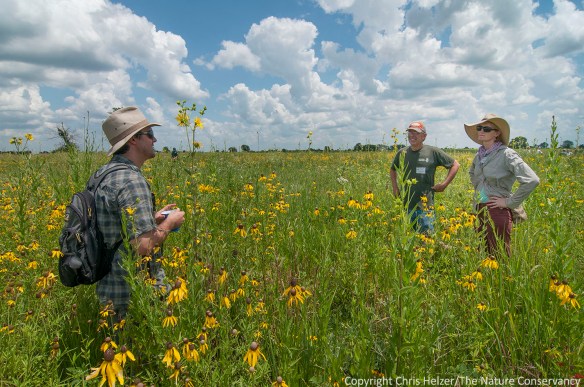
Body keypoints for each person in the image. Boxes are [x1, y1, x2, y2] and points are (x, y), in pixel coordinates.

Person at [95, 106, 185, 318]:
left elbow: (113, 225)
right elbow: (142, 247)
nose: (154, 140)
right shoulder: (131, 181)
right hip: (134, 291)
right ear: (133, 140)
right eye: (150, 134)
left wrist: (151, 219)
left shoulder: (103, 174)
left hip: (109, 286)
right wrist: (169, 223)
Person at [464, 114, 539, 257]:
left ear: (497, 133)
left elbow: (532, 180)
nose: (481, 131)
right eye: (479, 128)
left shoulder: (507, 154)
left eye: (486, 129)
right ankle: (486, 279)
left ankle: (504, 279)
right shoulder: (480, 154)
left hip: (497, 208)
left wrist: (509, 202)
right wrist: (481, 191)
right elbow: (472, 172)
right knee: (483, 250)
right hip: (479, 207)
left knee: (499, 251)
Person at [390, 121, 460, 234]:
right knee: (408, 240)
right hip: (406, 205)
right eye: (410, 132)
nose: (412, 135)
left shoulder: (432, 152)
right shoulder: (402, 153)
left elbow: (455, 164)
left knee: (427, 241)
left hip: (425, 207)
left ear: (424, 136)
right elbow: (393, 169)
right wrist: (395, 188)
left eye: (416, 133)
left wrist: (444, 184)